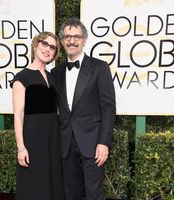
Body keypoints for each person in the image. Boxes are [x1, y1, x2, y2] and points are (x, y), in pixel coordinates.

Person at [51, 18, 116, 200]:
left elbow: (108, 108)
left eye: (76, 36)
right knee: (70, 194)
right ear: (62, 41)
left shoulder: (99, 67)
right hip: (65, 143)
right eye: (67, 36)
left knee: (94, 194)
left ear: (84, 40)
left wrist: (104, 143)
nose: (72, 40)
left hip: (93, 143)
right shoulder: (56, 72)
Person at [11, 32, 64, 200]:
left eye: (53, 47)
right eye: (44, 44)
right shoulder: (22, 77)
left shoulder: (53, 77)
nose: (48, 49)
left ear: (55, 54)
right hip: (33, 139)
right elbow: (18, 115)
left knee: (53, 180)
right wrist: (21, 147)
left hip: (53, 137)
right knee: (35, 183)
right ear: (35, 46)